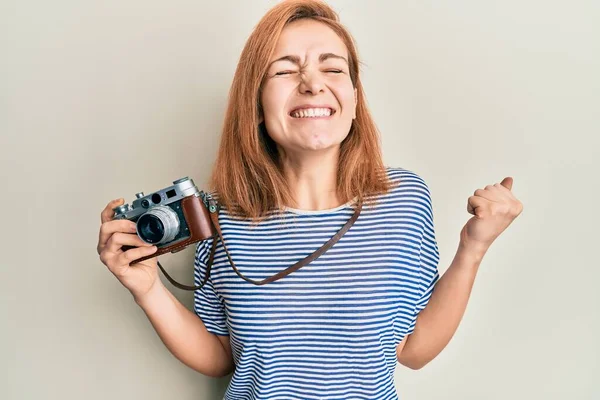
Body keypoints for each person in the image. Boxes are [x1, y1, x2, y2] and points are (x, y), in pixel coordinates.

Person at [96, 0, 523, 398]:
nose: (312, 83)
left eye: (333, 69)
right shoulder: (218, 214)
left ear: (354, 100)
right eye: (284, 70)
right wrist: (148, 289)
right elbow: (221, 357)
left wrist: (473, 248)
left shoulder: (406, 198)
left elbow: (414, 350)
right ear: (257, 105)